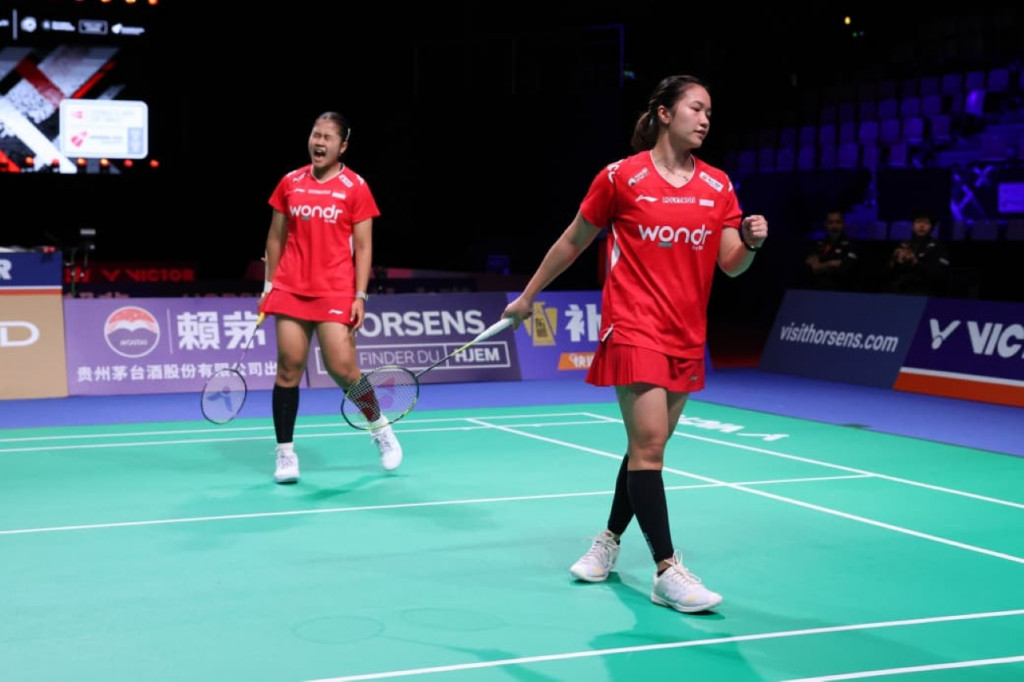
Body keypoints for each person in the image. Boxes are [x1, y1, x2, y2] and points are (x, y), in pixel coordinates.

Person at [502, 75, 768, 614]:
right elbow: (573, 240)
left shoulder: (718, 185)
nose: (705, 119)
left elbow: (731, 265)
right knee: (649, 447)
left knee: (647, 449)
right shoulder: (621, 177)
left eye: (710, 111)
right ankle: (668, 571)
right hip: (633, 325)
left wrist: (751, 243)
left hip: (686, 334)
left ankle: (607, 542)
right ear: (665, 113)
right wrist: (528, 296)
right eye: (696, 108)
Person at [259, 111, 402, 484]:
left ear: (343, 146)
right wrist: (269, 285)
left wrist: (360, 295)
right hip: (291, 286)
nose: (318, 142)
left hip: (335, 288)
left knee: (343, 369)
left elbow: (364, 247)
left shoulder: (356, 187)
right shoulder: (290, 182)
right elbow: (275, 237)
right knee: (288, 367)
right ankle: (285, 454)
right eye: (315, 134)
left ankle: (379, 428)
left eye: (327, 137)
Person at [886, 210, 950, 296]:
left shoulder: (938, 247)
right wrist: (894, 260)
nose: (922, 226)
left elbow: (940, 275)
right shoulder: (904, 245)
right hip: (901, 292)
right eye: (918, 222)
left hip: (925, 292)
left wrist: (916, 262)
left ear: (932, 228)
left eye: (926, 223)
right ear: (912, 226)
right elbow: (890, 272)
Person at [803, 210, 860, 291]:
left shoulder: (851, 245)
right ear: (825, 225)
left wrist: (820, 266)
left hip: (842, 290)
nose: (834, 226)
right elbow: (813, 268)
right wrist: (830, 264)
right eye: (831, 222)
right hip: (818, 290)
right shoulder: (818, 245)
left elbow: (844, 269)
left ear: (843, 224)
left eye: (838, 222)